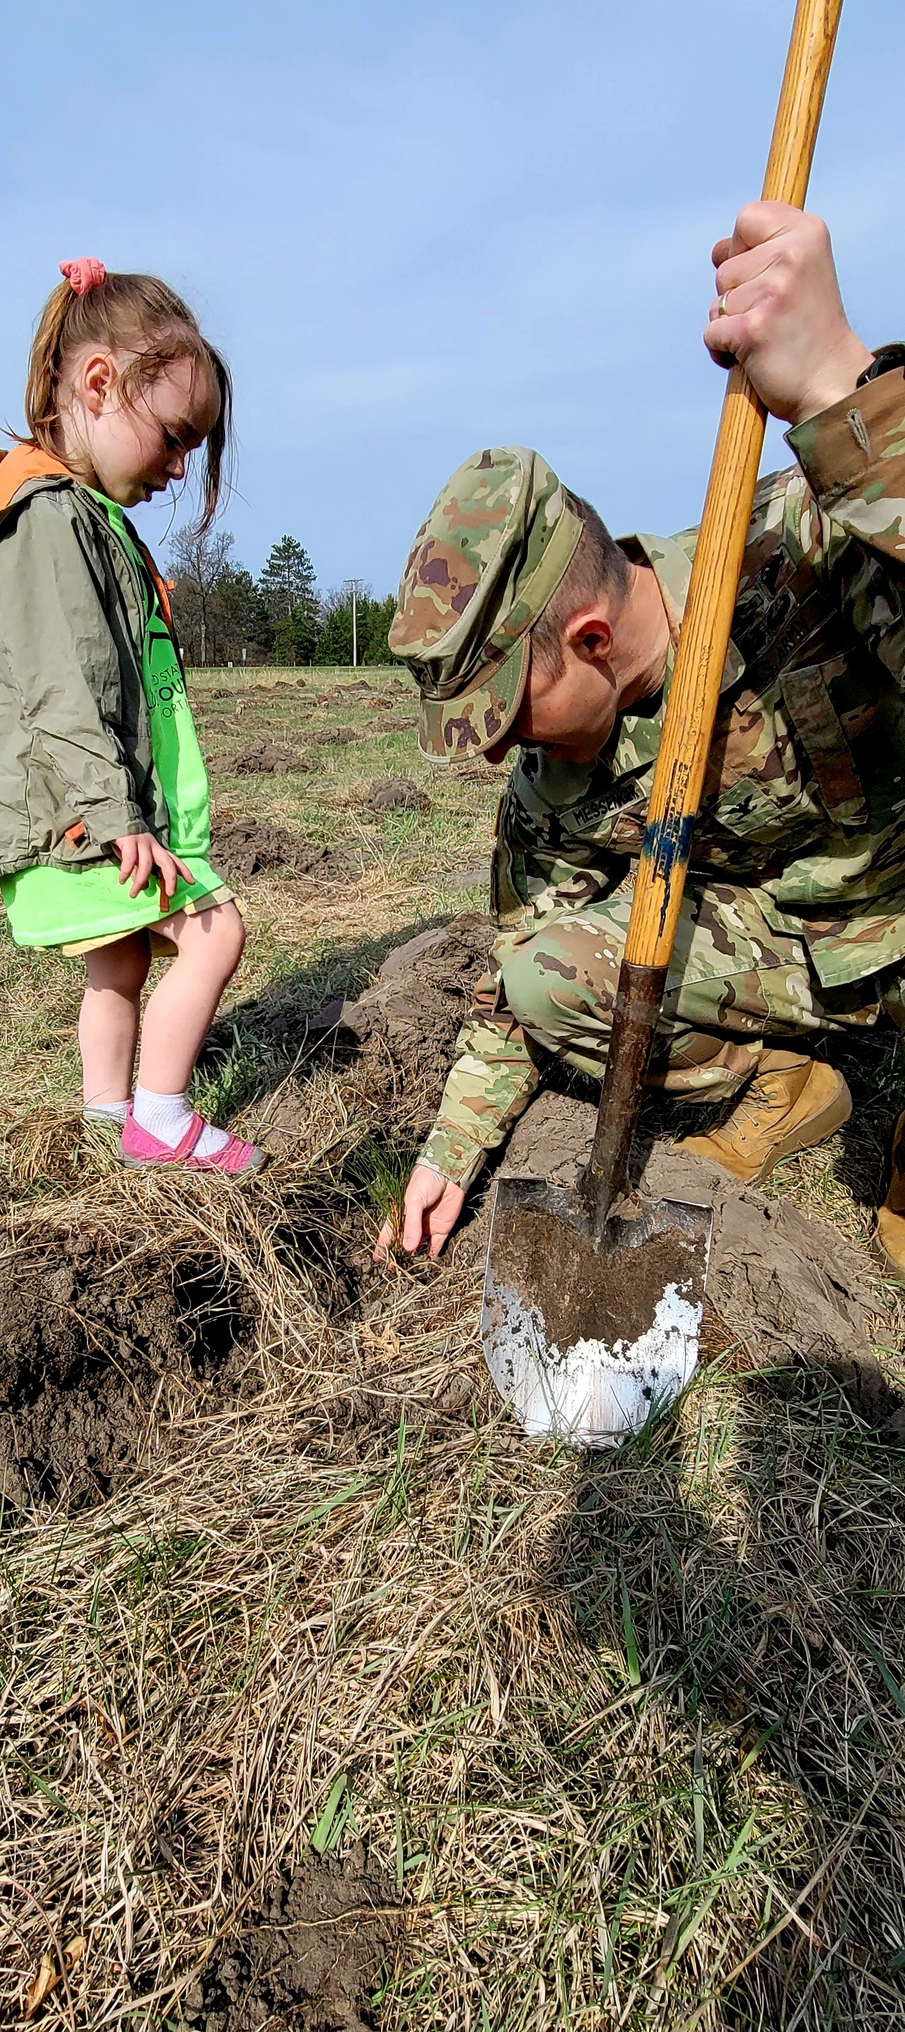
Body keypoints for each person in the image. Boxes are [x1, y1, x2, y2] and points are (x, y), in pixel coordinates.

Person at [376, 200, 905, 1274]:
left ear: (589, 634)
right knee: (542, 971)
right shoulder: (554, 783)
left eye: (506, 712)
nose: (494, 752)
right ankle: (783, 1081)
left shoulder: (802, 544)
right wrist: (448, 1151)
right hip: (798, 948)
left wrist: (846, 386)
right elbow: (515, 983)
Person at [0, 257, 261, 1174]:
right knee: (214, 932)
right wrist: (115, 814)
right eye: (172, 434)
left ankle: (105, 1118)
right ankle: (159, 1120)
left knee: (117, 963)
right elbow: (62, 685)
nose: (180, 461)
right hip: (73, 811)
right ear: (97, 383)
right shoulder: (48, 521)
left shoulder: (82, 516)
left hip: (77, 804)